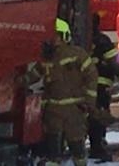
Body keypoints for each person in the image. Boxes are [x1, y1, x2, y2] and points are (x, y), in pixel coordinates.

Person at [28, 19, 97, 166]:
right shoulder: (47, 58)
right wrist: (19, 81)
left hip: (73, 110)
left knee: (76, 146)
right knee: (54, 150)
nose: (52, 40)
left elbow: (91, 76)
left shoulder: (77, 54)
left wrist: (89, 102)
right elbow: (34, 74)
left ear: (64, 36)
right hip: (54, 111)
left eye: (55, 36)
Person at [88, 29, 119, 162]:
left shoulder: (80, 38)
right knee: (99, 116)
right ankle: (97, 147)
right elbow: (114, 62)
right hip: (101, 86)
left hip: (83, 86)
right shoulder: (102, 40)